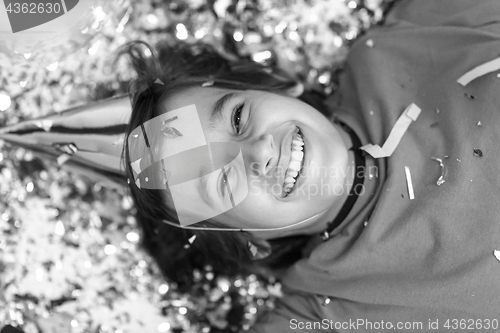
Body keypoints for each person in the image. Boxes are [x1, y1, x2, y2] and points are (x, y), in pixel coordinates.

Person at [119, 0, 500, 331]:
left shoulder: (403, 43)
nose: (259, 151)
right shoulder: (326, 312)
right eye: (221, 179)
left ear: (276, 86)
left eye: (237, 118)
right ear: (251, 241)